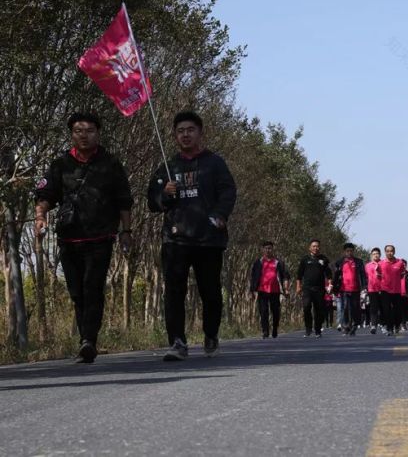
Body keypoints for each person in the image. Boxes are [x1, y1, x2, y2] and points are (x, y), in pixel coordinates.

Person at [34, 113, 133, 363]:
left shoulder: (110, 164)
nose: (84, 135)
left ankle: (88, 340)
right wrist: (40, 217)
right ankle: (85, 338)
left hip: (101, 237)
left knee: (93, 287)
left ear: (98, 133)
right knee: (77, 292)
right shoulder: (60, 165)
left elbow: (124, 201)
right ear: (71, 134)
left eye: (89, 130)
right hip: (69, 239)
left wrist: (126, 232)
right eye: (78, 131)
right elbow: (45, 194)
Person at [148, 111, 237, 361]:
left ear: (200, 132)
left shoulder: (214, 163)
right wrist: (164, 193)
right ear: (174, 136)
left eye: (190, 130)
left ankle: (211, 334)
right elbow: (152, 202)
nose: (185, 135)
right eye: (180, 131)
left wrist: (220, 215)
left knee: (210, 291)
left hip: (208, 239)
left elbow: (228, 191)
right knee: (174, 291)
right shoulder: (168, 167)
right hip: (175, 240)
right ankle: (177, 342)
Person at [250, 241, 290, 339]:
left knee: (275, 311)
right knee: (263, 311)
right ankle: (265, 331)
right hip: (262, 290)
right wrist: (252, 291)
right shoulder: (258, 262)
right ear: (262, 249)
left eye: (270, 248)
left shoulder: (278, 262)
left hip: (275, 290)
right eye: (266, 248)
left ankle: (275, 329)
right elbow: (253, 277)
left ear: (273, 249)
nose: (268, 250)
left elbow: (285, 276)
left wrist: (286, 289)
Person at [296, 239, 332, 337]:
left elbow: (328, 274)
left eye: (317, 246)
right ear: (310, 247)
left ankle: (317, 330)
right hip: (307, 289)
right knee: (306, 307)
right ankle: (308, 329)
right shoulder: (304, 259)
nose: (316, 248)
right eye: (314, 246)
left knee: (319, 310)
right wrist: (298, 287)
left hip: (319, 289)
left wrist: (330, 285)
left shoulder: (323, 259)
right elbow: (299, 275)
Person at [331, 243, 367, 335]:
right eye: (347, 251)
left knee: (355, 308)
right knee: (345, 308)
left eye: (351, 251)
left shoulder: (358, 262)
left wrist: (364, 287)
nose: (349, 253)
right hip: (344, 289)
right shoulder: (339, 262)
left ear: (353, 251)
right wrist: (334, 289)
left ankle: (354, 325)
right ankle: (346, 326)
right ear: (344, 252)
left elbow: (363, 275)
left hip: (356, 289)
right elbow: (336, 276)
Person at [378, 245, 405, 336]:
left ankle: (397, 325)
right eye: (388, 251)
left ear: (394, 252)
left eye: (391, 251)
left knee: (397, 310)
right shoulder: (381, 263)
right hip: (385, 290)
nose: (390, 253)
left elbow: (401, 275)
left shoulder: (400, 263)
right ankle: (389, 328)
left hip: (396, 290)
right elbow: (378, 275)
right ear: (385, 252)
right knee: (386, 310)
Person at [364, 247, 383, 333]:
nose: (376, 255)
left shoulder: (384, 264)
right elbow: (365, 277)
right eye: (374, 254)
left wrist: (380, 274)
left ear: (380, 255)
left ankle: (383, 324)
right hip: (372, 289)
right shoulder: (367, 266)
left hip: (383, 289)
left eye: (377, 254)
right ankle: (373, 325)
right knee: (373, 308)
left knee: (383, 307)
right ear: (371, 255)